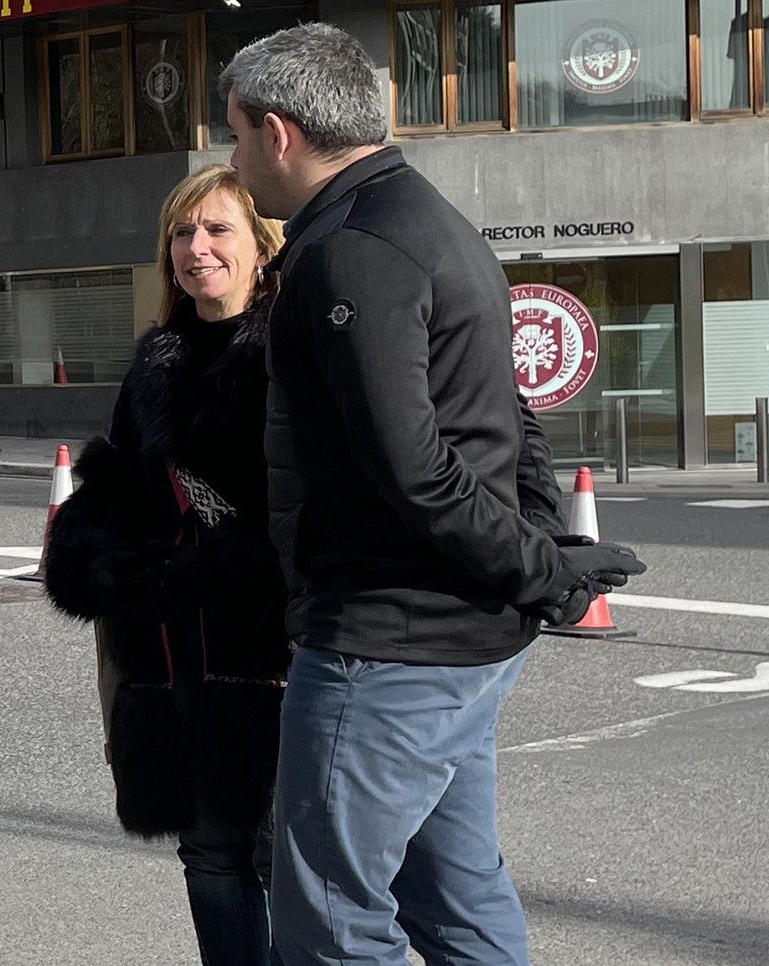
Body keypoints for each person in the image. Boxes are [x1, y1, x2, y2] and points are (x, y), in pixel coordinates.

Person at [217, 24, 648, 966]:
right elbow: (509, 417)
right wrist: (540, 561)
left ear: (280, 132)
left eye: (238, 135)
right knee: (455, 898)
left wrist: (542, 568)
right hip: (453, 637)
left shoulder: (354, 252)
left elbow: (416, 469)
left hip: (387, 643)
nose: (236, 160)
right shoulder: (429, 223)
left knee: (330, 924)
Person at [43, 164, 289, 966]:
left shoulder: (294, 347)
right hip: (172, 652)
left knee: (284, 861)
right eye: (183, 233)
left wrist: (229, 567)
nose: (196, 247)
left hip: (275, 655)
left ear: (263, 243)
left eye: (218, 229)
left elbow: (323, 499)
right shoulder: (159, 357)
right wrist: (99, 560)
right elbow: (113, 484)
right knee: (210, 855)